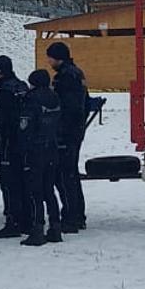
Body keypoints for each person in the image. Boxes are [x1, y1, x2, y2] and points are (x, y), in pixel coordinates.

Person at [46, 41, 90, 232]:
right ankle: (77, 215)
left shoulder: (65, 77)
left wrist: (60, 130)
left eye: (50, 57)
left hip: (66, 133)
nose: (49, 61)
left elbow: (67, 107)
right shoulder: (77, 73)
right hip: (75, 131)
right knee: (70, 174)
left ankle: (71, 217)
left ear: (58, 57)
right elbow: (84, 104)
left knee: (64, 175)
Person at [22, 69, 65, 246]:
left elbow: (25, 126)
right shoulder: (55, 98)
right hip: (52, 148)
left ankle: (37, 229)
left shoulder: (31, 99)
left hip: (35, 149)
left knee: (35, 191)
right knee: (49, 190)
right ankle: (55, 226)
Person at [0, 55, 30, 239]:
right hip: (24, 142)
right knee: (23, 182)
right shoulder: (22, 87)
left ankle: (12, 220)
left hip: (9, 143)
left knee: (9, 184)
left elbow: (4, 119)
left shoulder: (5, 92)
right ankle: (26, 220)